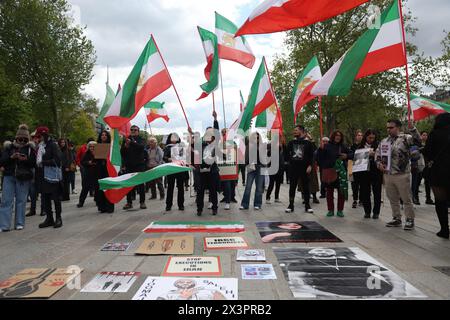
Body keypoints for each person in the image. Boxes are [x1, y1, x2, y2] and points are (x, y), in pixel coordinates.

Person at [376, 119, 421, 231]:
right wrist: (378, 163)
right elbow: (378, 154)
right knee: (392, 198)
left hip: (402, 174)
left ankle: (410, 219)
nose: (388, 129)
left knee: (406, 198)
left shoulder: (405, 138)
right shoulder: (384, 140)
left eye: (391, 127)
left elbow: (418, 142)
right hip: (388, 174)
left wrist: (413, 129)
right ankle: (396, 218)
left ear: (398, 127)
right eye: (387, 127)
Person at [0, 125, 36, 232]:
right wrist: (11, 157)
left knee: (21, 200)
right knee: (6, 200)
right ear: (16, 137)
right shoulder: (9, 147)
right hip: (8, 176)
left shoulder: (30, 148)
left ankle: (19, 223)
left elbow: (33, 163)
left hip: (23, 177)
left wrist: (25, 159)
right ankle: (4, 225)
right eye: (20, 138)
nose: (22, 141)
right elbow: (2, 161)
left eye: (25, 139)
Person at [422, 113, 450, 239]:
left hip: (438, 171)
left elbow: (428, 151)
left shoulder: (434, 133)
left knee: (440, 201)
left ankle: (444, 229)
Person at [319, 130, 353, 217]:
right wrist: (320, 149)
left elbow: (352, 154)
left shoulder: (343, 146)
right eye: (336, 135)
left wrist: (346, 156)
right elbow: (319, 157)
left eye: (339, 136)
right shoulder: (326, 146)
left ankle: (340, 210)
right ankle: (330, 210)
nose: (338, 137)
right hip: (330, 172)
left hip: (341, 173)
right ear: (333, 136)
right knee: (329, 192)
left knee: (341, 192)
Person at [192, 113, 220, 216]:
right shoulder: (200, 144)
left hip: (212, 171)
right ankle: (199, 209)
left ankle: (214, 208)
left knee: (213, 191)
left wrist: (215, 119)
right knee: (200, 191)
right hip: (201, 172)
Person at [36, 126, 63, 229]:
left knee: (56, 198)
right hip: (43, 176)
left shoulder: (53, 145)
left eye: (40, 136)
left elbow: (57, 160)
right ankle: (49, 218)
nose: (38, 138)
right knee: (45, 198)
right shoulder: (41, 146)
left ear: (45, 135)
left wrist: (43, 162)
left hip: (53, 176)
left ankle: (58, 218)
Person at [353, 129, 383, 219]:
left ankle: (376, 212)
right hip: (364, 173)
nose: (371, 139)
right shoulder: (360, 146)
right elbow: (356, 159)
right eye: (370, 137)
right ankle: (367, 211)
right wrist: (366, 154)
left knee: (377, 192)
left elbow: (384, 157)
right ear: (366, 137)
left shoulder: (379, 146)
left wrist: (375, 154)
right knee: (365, 192)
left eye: (373, 138)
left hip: (376, 172)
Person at [285, 125, 314, 213]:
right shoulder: (291, 143)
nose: (294, 132)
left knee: (305, 187)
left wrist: (310, 165)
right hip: (293, 168)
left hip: (304, 168)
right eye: (294, 130)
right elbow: (286, 155)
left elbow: (311, 156)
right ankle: (290, 205)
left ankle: (307, 205)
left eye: (296, 130)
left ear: (301, 131)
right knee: (292, 187)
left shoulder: (308, 143)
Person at [121, 125, 147, 210]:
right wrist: (125, 146)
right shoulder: (126, 139)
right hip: (129, 165)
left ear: (138, 131)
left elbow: (141, 148)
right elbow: (122, 153)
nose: (133, 131)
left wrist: (131, 143)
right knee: (128, 184)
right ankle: (129, 202)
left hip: (139, 164)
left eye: (135, 130)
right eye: (131, 129)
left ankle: (142, 202)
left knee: (141, 184)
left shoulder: (141, 139)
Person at [240, 132, 266, 211]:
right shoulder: (249, 145)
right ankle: (244, 204)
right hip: (251, 168)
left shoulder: (262, 145)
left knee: (259, 188)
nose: (256, 139)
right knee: (248, 187)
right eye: (254, 137)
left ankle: (257, 204)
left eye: (258, 138)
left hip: (260, 167)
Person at [164, 132, 185, 211]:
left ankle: (181, 204)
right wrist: (168, 159)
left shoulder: (181, 147)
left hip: (179, 169)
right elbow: (164, 157)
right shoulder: (167, 147)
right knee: (170, 187)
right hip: (171, 168)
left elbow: (184, 156)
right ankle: (168, 205)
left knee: (180, 187)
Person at [95, 131, 114, 213]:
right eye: (102, 135)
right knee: (100, 189)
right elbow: (97, 159)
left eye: (105, 135)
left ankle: (110, 207)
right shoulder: (98, 146)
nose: (103, 136)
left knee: (109, 188)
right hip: (99, 170)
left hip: (108, 170)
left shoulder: (111, 146)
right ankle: (102, 207)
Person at [220, 128, 238, 210]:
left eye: (225, 133)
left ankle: (232, 197)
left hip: (232, 166)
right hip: (224, 166)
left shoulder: (232, 142)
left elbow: (236, 149)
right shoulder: (221, 143)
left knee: (232, 183)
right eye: (223, 133)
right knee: (226, 184)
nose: (224, 135)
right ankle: (227, 200)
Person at [77, 141, 98, 208]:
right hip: (88, 173)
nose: (92, 148)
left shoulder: (99, 153)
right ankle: (81, 202)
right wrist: (88, 162)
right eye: (90, 146)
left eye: (93, 146)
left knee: (97, 188)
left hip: (96, 173)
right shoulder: (86, 153)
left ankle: (97, 201)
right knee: (85, 188)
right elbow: (82, 162)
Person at [266, 135, 286, 204]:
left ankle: (276, 198)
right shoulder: (271, 146)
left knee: (278, 184)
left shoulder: (282, 146)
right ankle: (267, 198)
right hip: (272, 168)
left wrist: (282, 145)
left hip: (280, 168)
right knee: (271, 184)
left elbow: (285, 154)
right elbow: (268, 155)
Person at [147, 136, 165, 200]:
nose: (150, 143)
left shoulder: (159, 149)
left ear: (155, 143)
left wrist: (158, 166)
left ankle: (162, 195)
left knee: (159, 182)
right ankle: (153, 195)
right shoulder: (148, 150)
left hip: (157, 167)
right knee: (151, 183)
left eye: (152, 142)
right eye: (149, 142)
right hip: (150, 167)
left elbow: (161, 159)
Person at [418, 131, 434, 205]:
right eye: (423, 135)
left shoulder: (429, 144)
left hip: (427, 165)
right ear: (421, 136)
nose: (425, 136)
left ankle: (428, 198)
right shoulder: (419, 144)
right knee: (417, 182)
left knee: (428, 182)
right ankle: (415, 197)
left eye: (426, 135)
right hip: (420, 165)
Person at [350, 130, 363, 208]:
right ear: (356, 137)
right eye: (358, 135)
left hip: (361, 167)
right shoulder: (352, 146)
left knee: (362, 184)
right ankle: (355, 200)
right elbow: (350, 156)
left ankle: (361, 200)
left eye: (361, 135)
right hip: (352, 166)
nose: (360, 136)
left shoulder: (364, 146)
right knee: (354, 185)